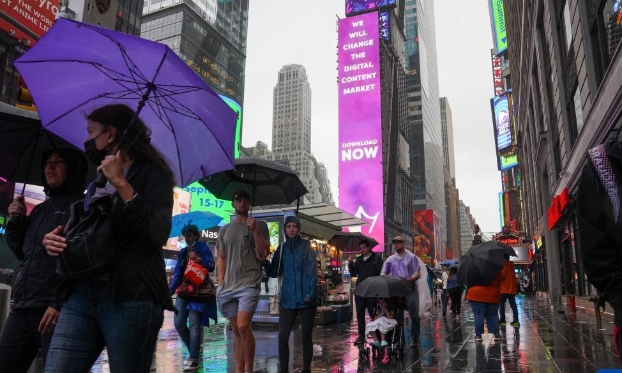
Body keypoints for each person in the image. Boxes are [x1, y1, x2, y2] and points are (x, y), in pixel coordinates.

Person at [42, 104, 176, 372]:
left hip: (131, 296)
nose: (87, 139)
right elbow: (90, 232)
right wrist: (56, 240)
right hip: (81, 293)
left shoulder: (153, 173)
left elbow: (157, 232)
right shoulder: (98, 178)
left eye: (91, 132)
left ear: (111, 133)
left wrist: (123, 185)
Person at [0, 148, 88, 373]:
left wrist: (58, 303)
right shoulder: (39, 210)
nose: (50, 166)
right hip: (23, 305)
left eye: (58, 162)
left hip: (55, 309)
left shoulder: (81, 207)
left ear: (72, 170)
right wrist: (17, 219)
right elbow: (23, 252)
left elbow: (82, 262)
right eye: (47, 162)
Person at [215, 189, 269, 373]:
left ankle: (249, 370)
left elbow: (264, 253)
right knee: (236, 331)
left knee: (243, 325)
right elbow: (221, 257)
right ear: (233, 204)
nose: (242, 203)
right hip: (228, 286)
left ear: (250, 204)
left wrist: (254, 230)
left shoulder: (259, 225)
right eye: (239, 200)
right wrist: (221, 281)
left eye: (246, 200)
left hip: (249, 283)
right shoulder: (225, 230)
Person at [266, 215, 317, 373]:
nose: (291, 229)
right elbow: (275, 272)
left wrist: (309, 293)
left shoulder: (306, 246)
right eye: (288, 226)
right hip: (288, 299)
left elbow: (311, 271)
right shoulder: (282, 248)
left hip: (306, 299)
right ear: (285, 229)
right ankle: (283, 370)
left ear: (298, 228)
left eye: (294, 226)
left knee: (305, 337)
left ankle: (306, 369)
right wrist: (264, 261)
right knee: (282, 336)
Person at [169, 224, 215, 371]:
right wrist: (168, 292)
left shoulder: (203, 247)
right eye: (185, 235)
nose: (187, 238)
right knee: (179, 323)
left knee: (195, 325)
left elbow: (211, 265)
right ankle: (194, 352)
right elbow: (177, 273)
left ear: (196, 235)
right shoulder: (183, 252)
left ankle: (194, 359)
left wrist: (198, 258)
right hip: (184, 291)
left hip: (198, 292)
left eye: (189, 235)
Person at [381, 236, 421, 347]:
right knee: (398, 317)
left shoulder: (412, 257)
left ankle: (415, 338)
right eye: (394, 243)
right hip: (396, 291)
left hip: (410, 289)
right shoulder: (390, 260)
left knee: (414, 315)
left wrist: (408, 280)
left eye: (398, 242)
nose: (396, 244)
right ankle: (399, 340)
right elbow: (384, 273)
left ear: (403, 243)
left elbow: (417, 273)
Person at [347, 239, 383, 345]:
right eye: (360, 248)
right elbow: (353, 273)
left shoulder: (376, 259)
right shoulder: (359, 260)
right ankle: (362, 335)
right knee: (360, 314)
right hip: (360, 290)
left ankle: (377, 336)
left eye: (363, 248)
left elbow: (381, 273)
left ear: (368, 248)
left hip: (372, 290)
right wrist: (350, 262)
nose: (361, 250)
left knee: (373, 313)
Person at [466, 269, 504, 342]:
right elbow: (501, 279)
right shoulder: (495, 267)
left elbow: (468, 281)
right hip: (492, 294)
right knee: (493, 314)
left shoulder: (473, 268)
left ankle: (478, 336)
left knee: (478, 315)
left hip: (476, 294)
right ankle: (496, 334)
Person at [499, 255, 519, 327]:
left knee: (501, 305)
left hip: (504, 289)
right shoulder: (511, 267)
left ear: (503, 259)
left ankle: (502, 320)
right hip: (512, 289)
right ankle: (516, 320)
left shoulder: (504, 266)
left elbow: (501, 277)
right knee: (513, 305)